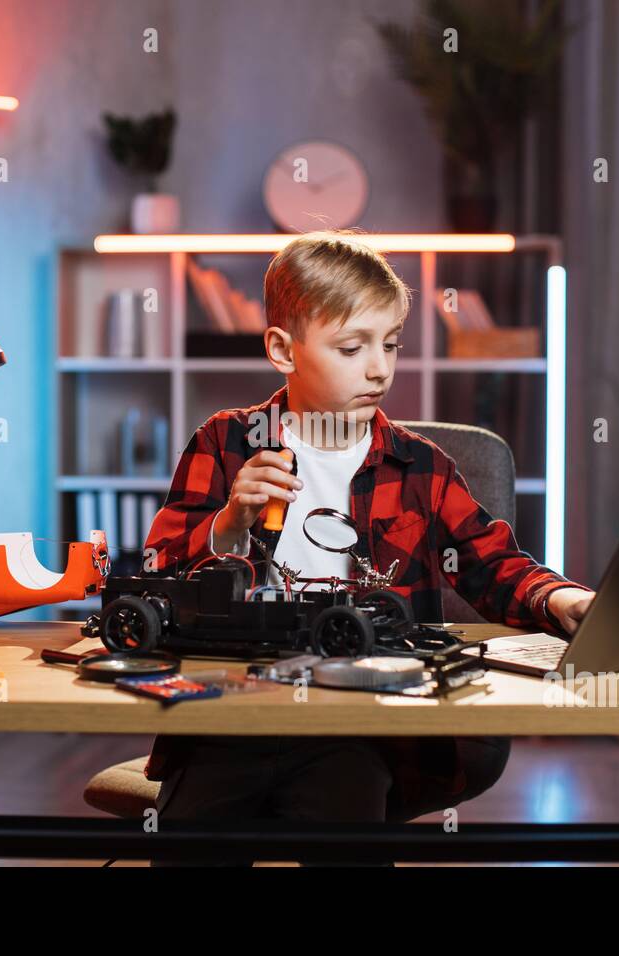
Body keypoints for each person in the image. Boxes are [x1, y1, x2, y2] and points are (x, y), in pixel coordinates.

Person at [142, 231, 595, 865]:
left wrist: (562, 598)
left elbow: (494, 564)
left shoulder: (420, 467)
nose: (379, 368)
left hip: (357, 720)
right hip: (232, 713)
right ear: (282, 349)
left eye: (390, 345)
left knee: (342, 812)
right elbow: (158, 569)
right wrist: (226, 524)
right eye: (352, 348)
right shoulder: (225, 443)